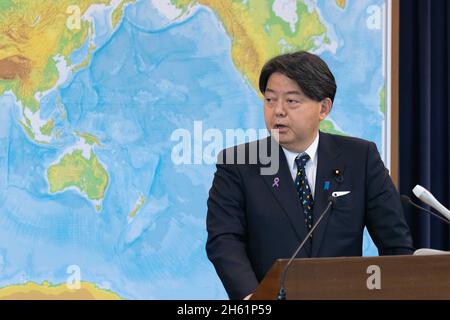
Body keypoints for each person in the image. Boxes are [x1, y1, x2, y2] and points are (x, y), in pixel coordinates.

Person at [206, 51, 414, 300]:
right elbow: (224, 239)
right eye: (270, 100)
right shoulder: (239, 164)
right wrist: (253, 298)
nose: (278, 111)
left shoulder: (360, 158)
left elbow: (395, 244)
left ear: (323, 108)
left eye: (292, 101)